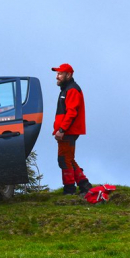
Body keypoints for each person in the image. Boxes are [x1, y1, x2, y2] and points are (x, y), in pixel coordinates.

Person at [51, 63, 93, 195]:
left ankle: (69, 189)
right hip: (67, 131)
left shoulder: (72, 89)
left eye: (60, 74)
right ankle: (84, 185)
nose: (57, 76)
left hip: (68, 131)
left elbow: (72, 112)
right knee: (68, 159)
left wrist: (62, 130)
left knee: (64, 160)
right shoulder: (67, 89)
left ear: (68, 75)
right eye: (57, 74)